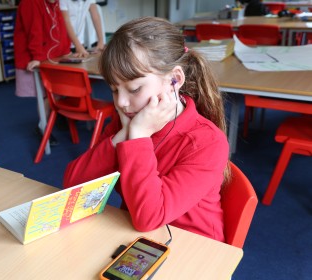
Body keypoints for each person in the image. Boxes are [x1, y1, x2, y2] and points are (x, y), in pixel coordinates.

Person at [63, 17, 230, 242]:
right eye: (114, 90)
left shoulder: (207, 142)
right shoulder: (128, 121)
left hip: (193, 245)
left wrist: (138, 138)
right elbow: (73, 187)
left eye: (134, 89)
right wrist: (122, 136)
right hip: (137, 235)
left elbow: (149, 217)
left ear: (174, 79)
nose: (121, 102)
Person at [14, 0, 71, 145]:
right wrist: (37, 57)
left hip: (52, 57)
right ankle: (43, 128)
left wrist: (66, 52)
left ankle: (49, 121)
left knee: (56, 93)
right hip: (37, 57)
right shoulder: (30, 3)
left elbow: (61, 28)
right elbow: (34, 31)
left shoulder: (55, 3)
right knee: (46, 95)